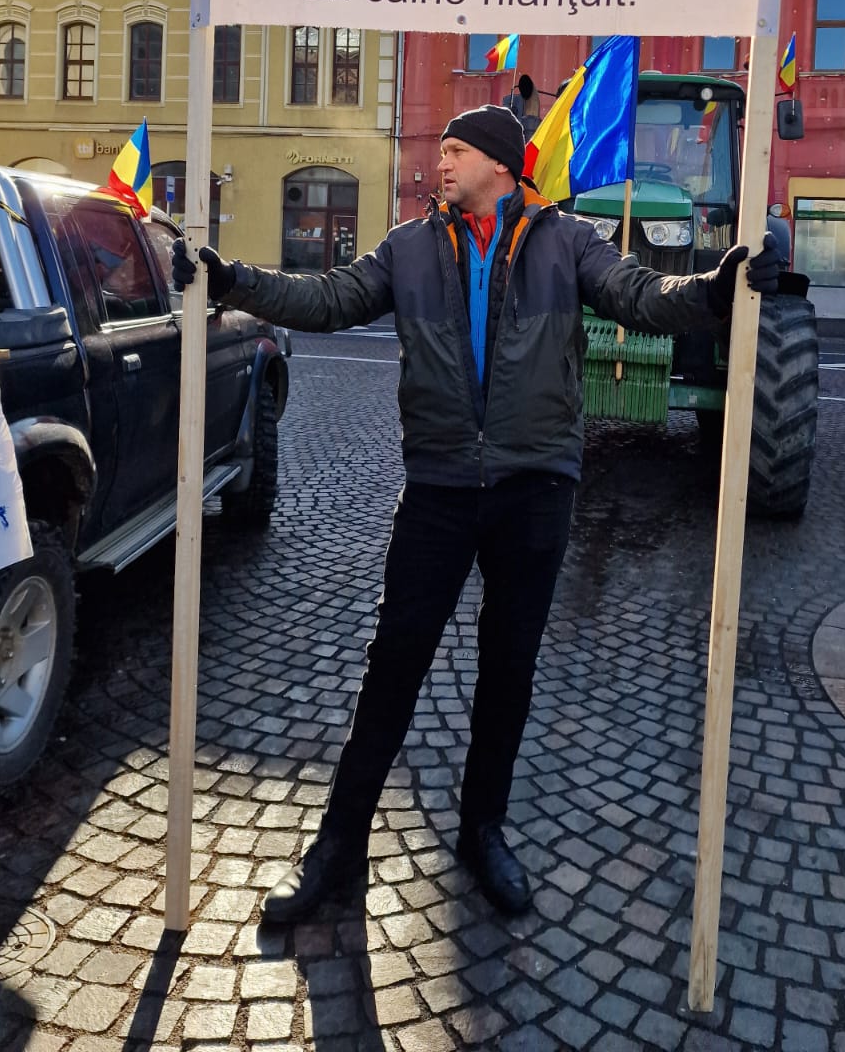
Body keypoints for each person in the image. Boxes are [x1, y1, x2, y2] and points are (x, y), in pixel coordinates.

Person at [172, 103, 779, 924]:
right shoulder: (412, 246)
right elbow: (328, 297)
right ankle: (338, 847)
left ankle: (482, 830)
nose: (442, 163)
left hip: (536, 489)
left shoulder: (569, 241)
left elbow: (639, 295)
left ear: (502, 164)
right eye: (442, 148)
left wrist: (714, 289)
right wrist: (235, 279)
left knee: (508, 671)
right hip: (440, 487)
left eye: (455, 150)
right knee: (393, 667)